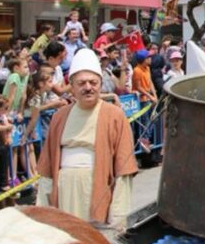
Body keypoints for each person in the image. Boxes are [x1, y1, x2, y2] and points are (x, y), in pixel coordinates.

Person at [37, 49, 139, 229]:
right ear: (72, 86)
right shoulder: (59, 116)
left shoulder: (114, 115)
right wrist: (43, 209)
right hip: (65, 190)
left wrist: (118, 214)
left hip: (97, 187)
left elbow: (124, 168)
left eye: (93, 82)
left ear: (100, 84)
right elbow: (47, 169)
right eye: (81, 83)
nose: (88, 87)